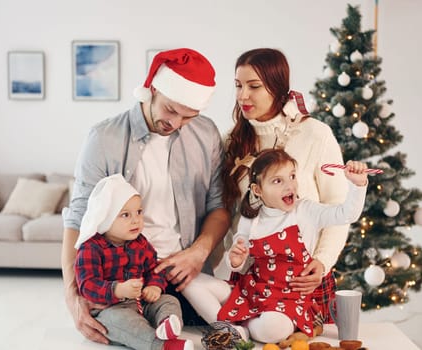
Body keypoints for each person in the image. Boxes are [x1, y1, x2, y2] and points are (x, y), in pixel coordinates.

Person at [62, 48, 231, 345]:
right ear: (152, 89)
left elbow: (218, 208)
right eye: (170, 110)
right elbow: (78, 219)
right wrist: (73, 298)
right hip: (124, 285)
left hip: (187, 279)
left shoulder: (206, 135)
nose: (176, 123)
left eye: (188, 117)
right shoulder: (104, 138)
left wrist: (198, 252)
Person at [184, 149, 369, 344]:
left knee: (273, 330)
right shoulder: (251, 218)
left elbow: (346, 214)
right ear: (258, 190)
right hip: (252, 291)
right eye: (278, 181)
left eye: (292, 176)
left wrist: (358, 185)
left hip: (288, 300)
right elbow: (239, 258)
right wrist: (236, 259)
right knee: (190, 282)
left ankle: (238, 328)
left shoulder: (306, 210)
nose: (290, 186)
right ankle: (232, 329)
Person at [222, 48, 349, 310]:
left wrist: (323, 261)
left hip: (303, 279)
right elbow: (228, 213)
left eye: (254, 86)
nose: (243, 95)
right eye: (238, 85)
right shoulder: (232, 141)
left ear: (277, 87)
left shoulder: (315, 134)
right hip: (249, 279)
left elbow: (337, 203)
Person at [74, 174, 193, 349]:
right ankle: (161, 345)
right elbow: (88, 285)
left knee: (169, 301)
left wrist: (154, 286)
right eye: (125, 215)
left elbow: (154, 268)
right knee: (123, 322)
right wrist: (118, 290)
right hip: (109, 309)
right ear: (106, 218)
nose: (136, 219)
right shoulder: (91, 248)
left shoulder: (140, 242)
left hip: (141, 302)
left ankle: (166, 324)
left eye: (139, 212)